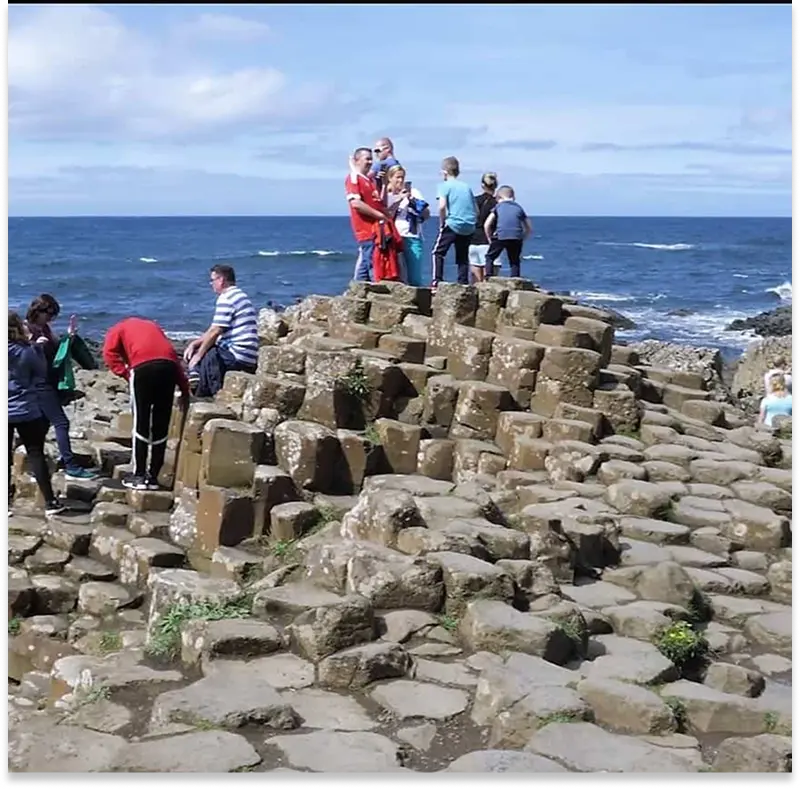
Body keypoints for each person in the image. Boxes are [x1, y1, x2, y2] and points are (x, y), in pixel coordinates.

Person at [103, 317, 191, 490]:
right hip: (168, 367)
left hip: (142, 368)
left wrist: (125, 373)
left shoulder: (117, 328)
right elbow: (171, 356)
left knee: (141, 422)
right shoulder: (153, 326)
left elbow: (109, 353)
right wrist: (184, 388)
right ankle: (153, 477)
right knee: (161, 424)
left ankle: (139, 475)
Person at [25, 294, 98, 480]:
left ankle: (37, 466)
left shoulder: (45, 329)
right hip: (39, 384)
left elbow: (56, 353)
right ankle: (70, 465)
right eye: (48, 313)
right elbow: (19, 355)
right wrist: (34, 346)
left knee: (42, 425)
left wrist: (69, 337)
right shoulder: (27, 329)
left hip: (50, 382)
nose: (50, 318)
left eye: (53, 315)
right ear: (37, 310)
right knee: (61, 422)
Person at [5, 311, 65, 516]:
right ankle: (50, 503)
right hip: (25, 409)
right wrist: (37, 348)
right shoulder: (26, 351)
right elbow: (41, 372)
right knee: (36, 454)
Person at [183, 265, 259, 398]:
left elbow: (216, 331)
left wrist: (198, 356)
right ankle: (195, 375)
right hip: (250, 356)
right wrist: (195, 343)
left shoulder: (226, 298)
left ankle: (203, 385)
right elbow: (214, 328)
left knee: (208, 354)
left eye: (212, 280)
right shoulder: (240, 295)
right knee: (203, 346)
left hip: (238, 355)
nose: (211, 284)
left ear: (221, 280)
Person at [431, 156, 477, 288]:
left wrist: (442, 223)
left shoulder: (444, 186)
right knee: (462, 256)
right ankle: (463, 282)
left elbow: (441, 206)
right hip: (469, 225)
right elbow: (476, 209)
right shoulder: (466, 187)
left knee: (438, 252)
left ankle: (436, 281)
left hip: (453, 223)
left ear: (444, 172)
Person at [346, 147, 388, 281]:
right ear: (357, 161)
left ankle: (360, 290)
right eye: (367, 159)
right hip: (366, 229)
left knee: (369, 261)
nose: (370, 162)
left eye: (371, 159)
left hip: (376, 230)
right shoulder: (354, 178)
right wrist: (379, 215)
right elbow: (356, 204)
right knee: (369, 262)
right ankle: (361, 291)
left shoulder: (368, 180)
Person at [384, 165, 430, 286]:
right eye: (397, 177)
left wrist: (412, 200)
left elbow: (426, 214)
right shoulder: (387, 196)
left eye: (402, 177)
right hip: (393, 237)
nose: (400, 181)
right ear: (390, 178)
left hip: (411, 236)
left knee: (414, 278)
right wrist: (398, 199)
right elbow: (386, 214)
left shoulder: (414, 193)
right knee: (396, 275)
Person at [483, 185, 532, 279]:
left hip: (501, 235)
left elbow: (487, 224)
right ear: (513, 197)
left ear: (499, 197)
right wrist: (523, 238)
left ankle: (488, 277)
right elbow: (529, 228)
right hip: (516, 236)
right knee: (514, 261)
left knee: (490, 257)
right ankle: (515, 279)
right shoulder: (519, 208)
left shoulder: (498, 207)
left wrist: (489, 239)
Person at [469, 172, 499, 283]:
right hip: (489, 241)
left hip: (473, 240)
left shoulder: (474, 201)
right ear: (496, 185)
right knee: (490, 282)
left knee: (476, 282)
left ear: (482, 185)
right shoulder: (497, 203)